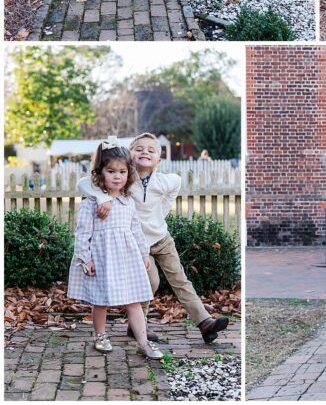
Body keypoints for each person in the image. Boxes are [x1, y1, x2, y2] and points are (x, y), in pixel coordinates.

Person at [77, 133, 230, 344]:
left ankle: (204, 322)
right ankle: (137, 326)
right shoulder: (124, 179)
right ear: (130, 156)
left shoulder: (166, 180)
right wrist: (103, 198)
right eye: (139, 149)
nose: (145, 152)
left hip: (161, 238)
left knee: (180, 279)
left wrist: (160, 216)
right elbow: (84, 183)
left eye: (151, 150)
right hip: (138, 243)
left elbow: (173, 189)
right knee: (150, 282)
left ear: (159, 159)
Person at [66, 139, 162, 359]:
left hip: (127, 258)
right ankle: (100, 336)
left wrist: (143, 252)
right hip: (102, 257)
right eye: (111, 171)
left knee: (134, 300)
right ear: (100, 173)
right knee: (101, 301)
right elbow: (83, 233)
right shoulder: (92, 202)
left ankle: (143, 342)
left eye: (122, 171)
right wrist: (85, 259)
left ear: (129, 174)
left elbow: (136, 228)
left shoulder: (128, 201)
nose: (117, 176)